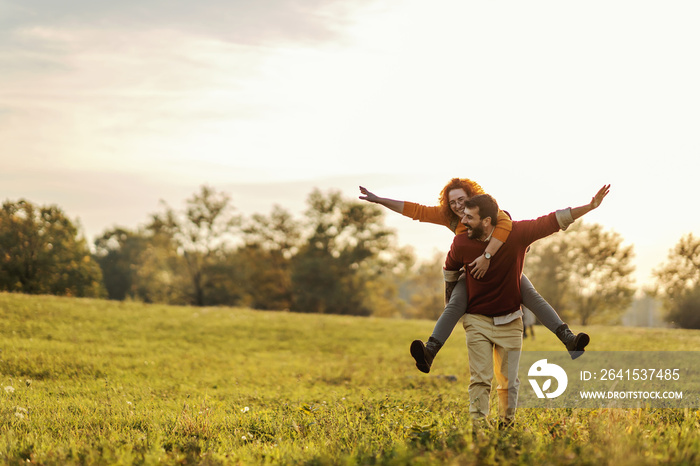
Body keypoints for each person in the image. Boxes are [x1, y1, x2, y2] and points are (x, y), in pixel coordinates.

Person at [359, 179, 588, 373]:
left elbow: (509, 225)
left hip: (504, 270)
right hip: (471, 274)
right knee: (455, 304)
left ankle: (569, 339)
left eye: (461, 200)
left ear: (471, 197)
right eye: (452, 202)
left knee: (532, 296)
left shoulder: (493, 214)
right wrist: (379, 200)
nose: (458, 206)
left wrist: (487, 256)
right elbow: (415, 211)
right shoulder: (450, 218)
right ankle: (429, 351)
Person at [443, 185, 609, 426]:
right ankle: (478, 428)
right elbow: (449, 271)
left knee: (509, 381)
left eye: (469, 217)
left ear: (487, 221)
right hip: (476, 319)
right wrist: (451, 304)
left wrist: (590, 206)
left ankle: (506, 424)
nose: (463, 221)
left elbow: (553, 220)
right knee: (480, 378)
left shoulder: (518, 233)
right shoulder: (461, 243)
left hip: (510, 320)